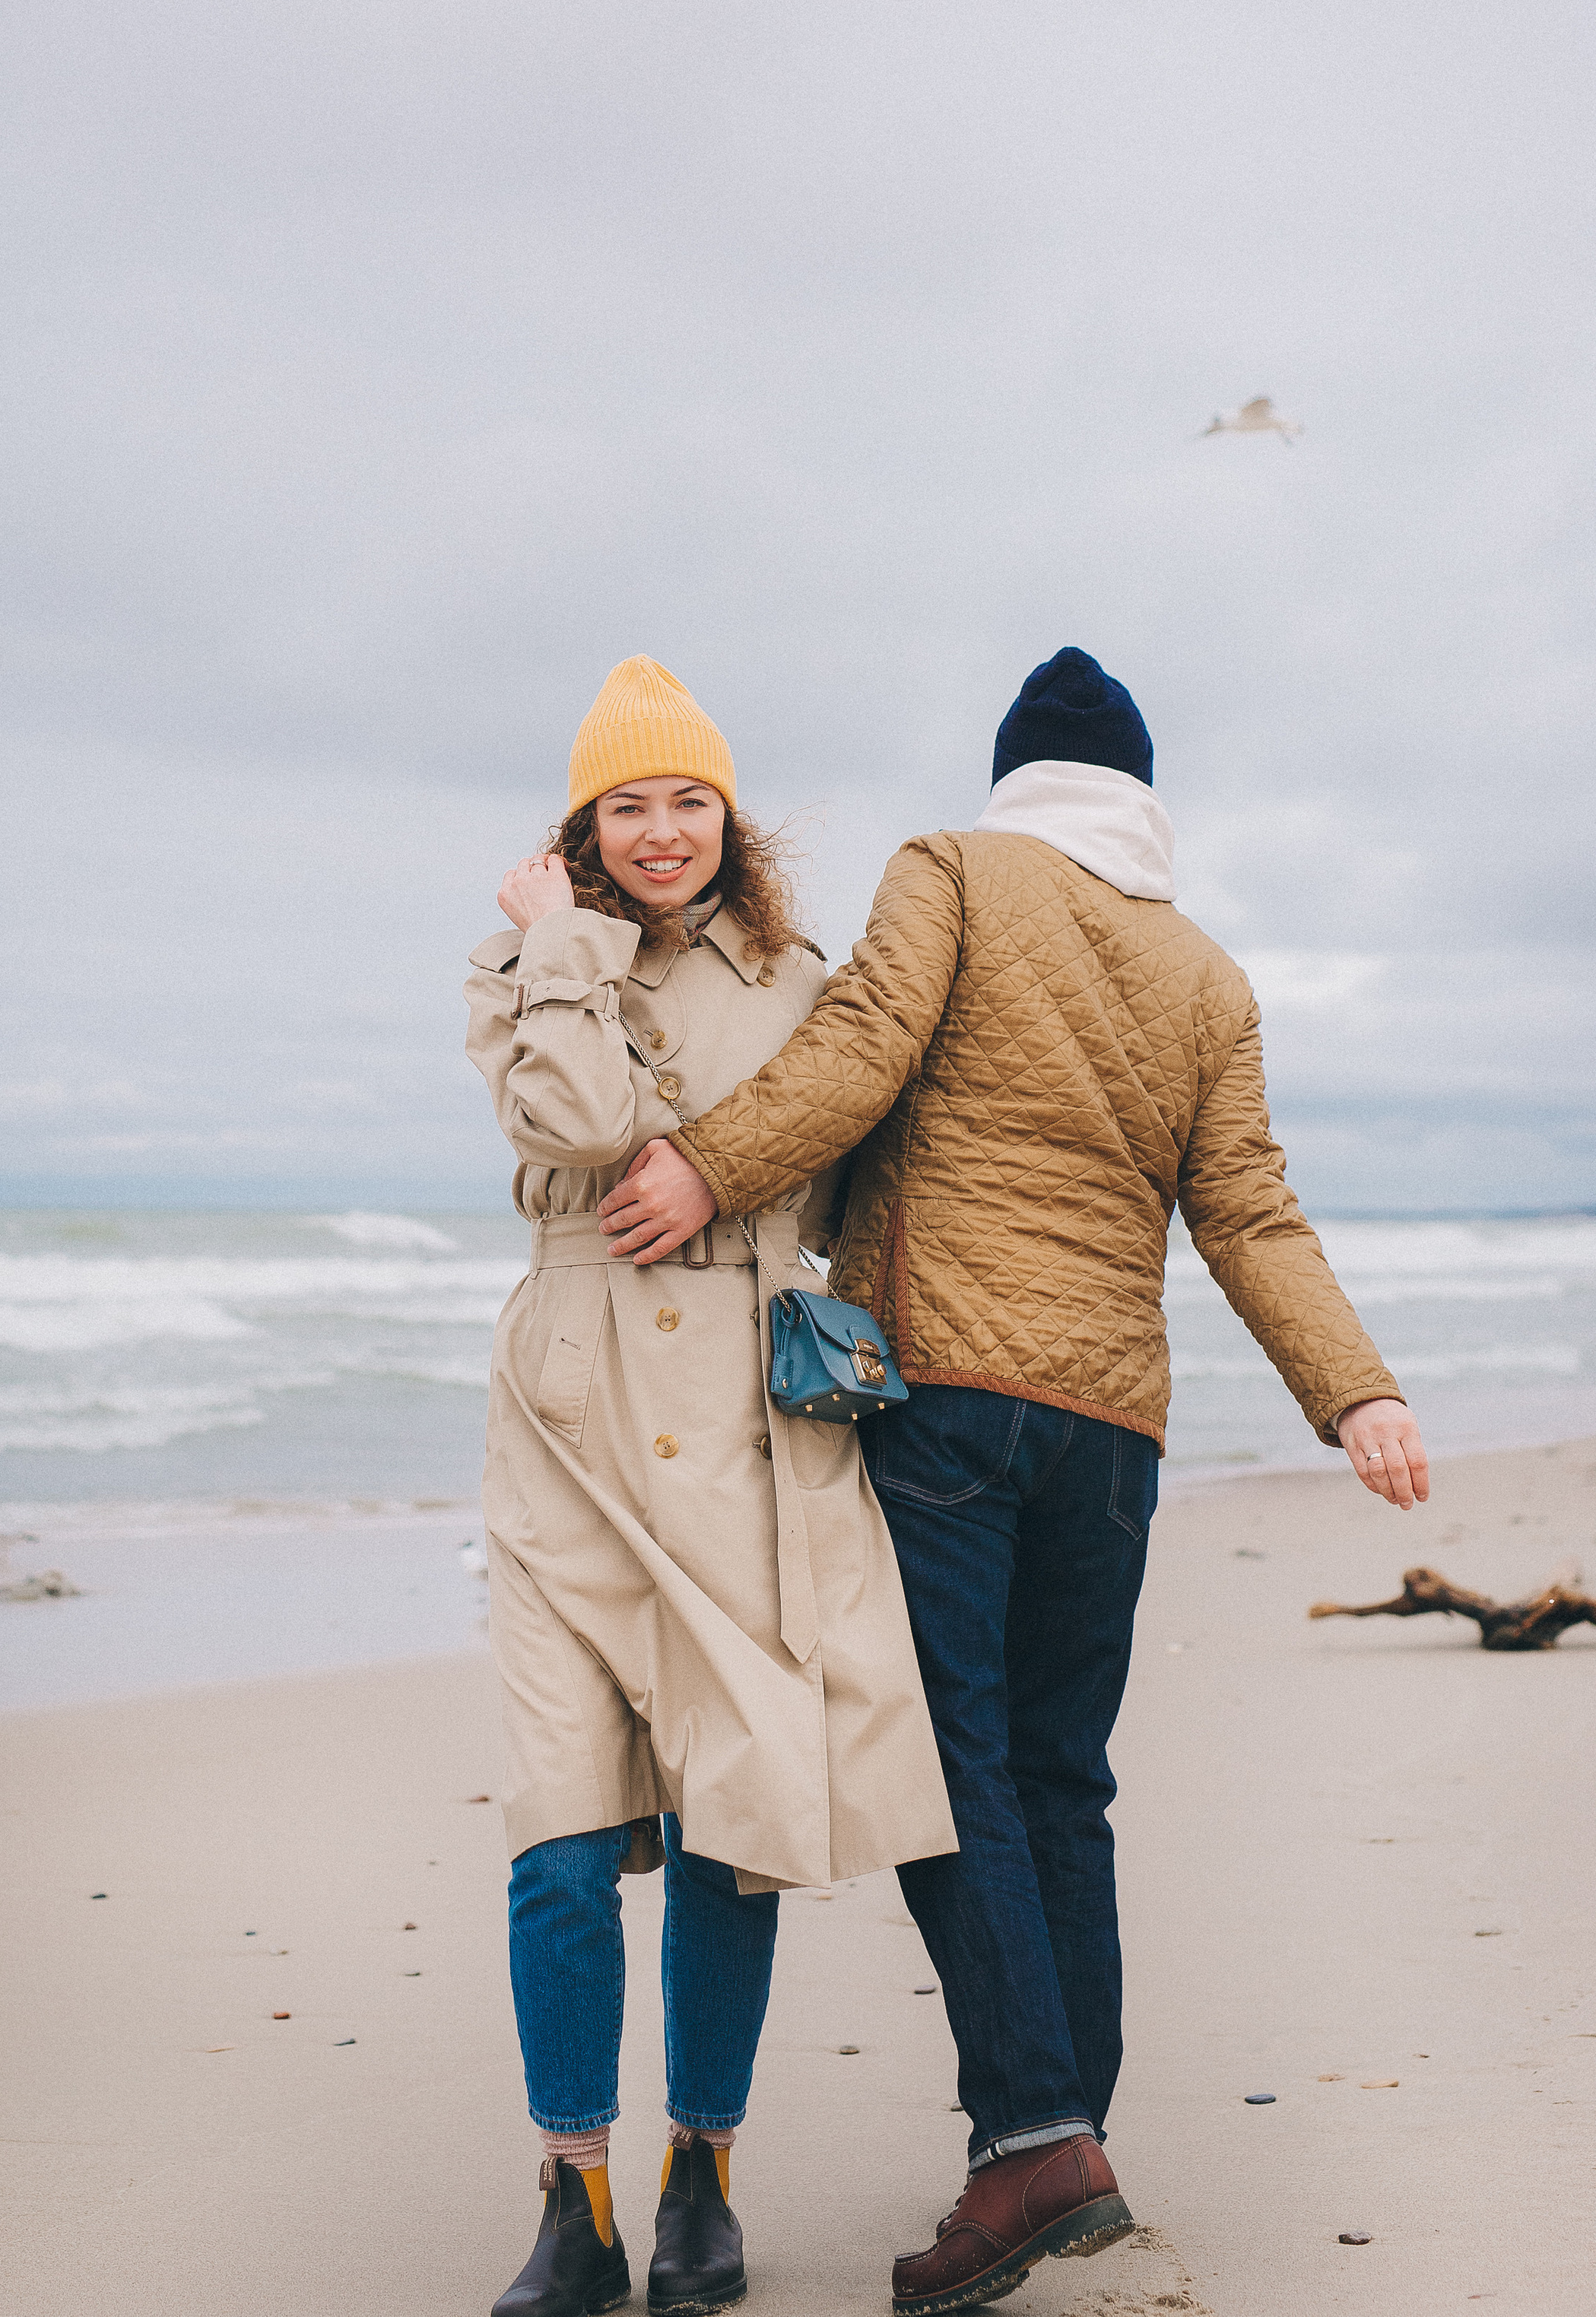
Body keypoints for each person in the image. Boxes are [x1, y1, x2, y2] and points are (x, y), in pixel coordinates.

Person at [597, 647, 1430, 2317]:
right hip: (1108, 1430)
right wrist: (1358, 1390)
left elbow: (855, 1057)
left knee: (942, 1769)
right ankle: (1055, 2155)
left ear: (1011, 781)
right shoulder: (1200, 970)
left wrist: (704, 1165)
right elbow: (1247, 1211)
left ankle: (1036, 2138)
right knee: (1059, 1781)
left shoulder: (950, 871)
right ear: (1134, 797)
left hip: (953, 1399)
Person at [466, 655, 955, 2317]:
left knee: (722, 1832)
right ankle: (571, 2197)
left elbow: (836, 1176)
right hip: (568, 1436)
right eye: (626, 803)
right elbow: (583, 1116)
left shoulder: (804, 980)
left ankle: (702, 2172)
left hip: (750, 1442)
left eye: (687, 799)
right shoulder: (523, 963)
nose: (660, 829)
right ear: (582, 825)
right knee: (553, 1838)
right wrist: (563, 943)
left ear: (726, 817)